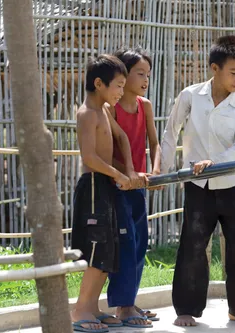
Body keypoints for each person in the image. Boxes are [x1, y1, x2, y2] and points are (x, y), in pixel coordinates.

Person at [160, 35, 235, 327]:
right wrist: (160, 172)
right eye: (233, 72)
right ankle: (187, 309)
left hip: (231, 184)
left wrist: (215, 164)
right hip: (197, 186)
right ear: (214, 68)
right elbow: (170, 132)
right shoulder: (190, 96)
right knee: (193, 244)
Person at [70, 54, 147, 333]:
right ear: (99, 83)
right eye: (117, 86)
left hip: (108, 186)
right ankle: (80, 309)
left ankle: (93, 307)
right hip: (93, 186)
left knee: (108, 248)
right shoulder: (87, 113)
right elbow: (89, 157)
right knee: (95, 249)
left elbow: (122, 138)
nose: (120, 92)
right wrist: (119, 175)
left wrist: (129, 169)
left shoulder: (104, 110)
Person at [105, 47, 162, 328]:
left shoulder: (145, 106)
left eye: (148, 74)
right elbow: (109, 150)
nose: (145, 79)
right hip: (117, 184)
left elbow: (154, 141)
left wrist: (156, 169)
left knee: (140, 243)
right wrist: (129, 173)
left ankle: (130, 301)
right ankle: (122, 307)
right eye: (140, 73)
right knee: (125, 243)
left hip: (139, 184)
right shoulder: (110, 107)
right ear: (123, 75)